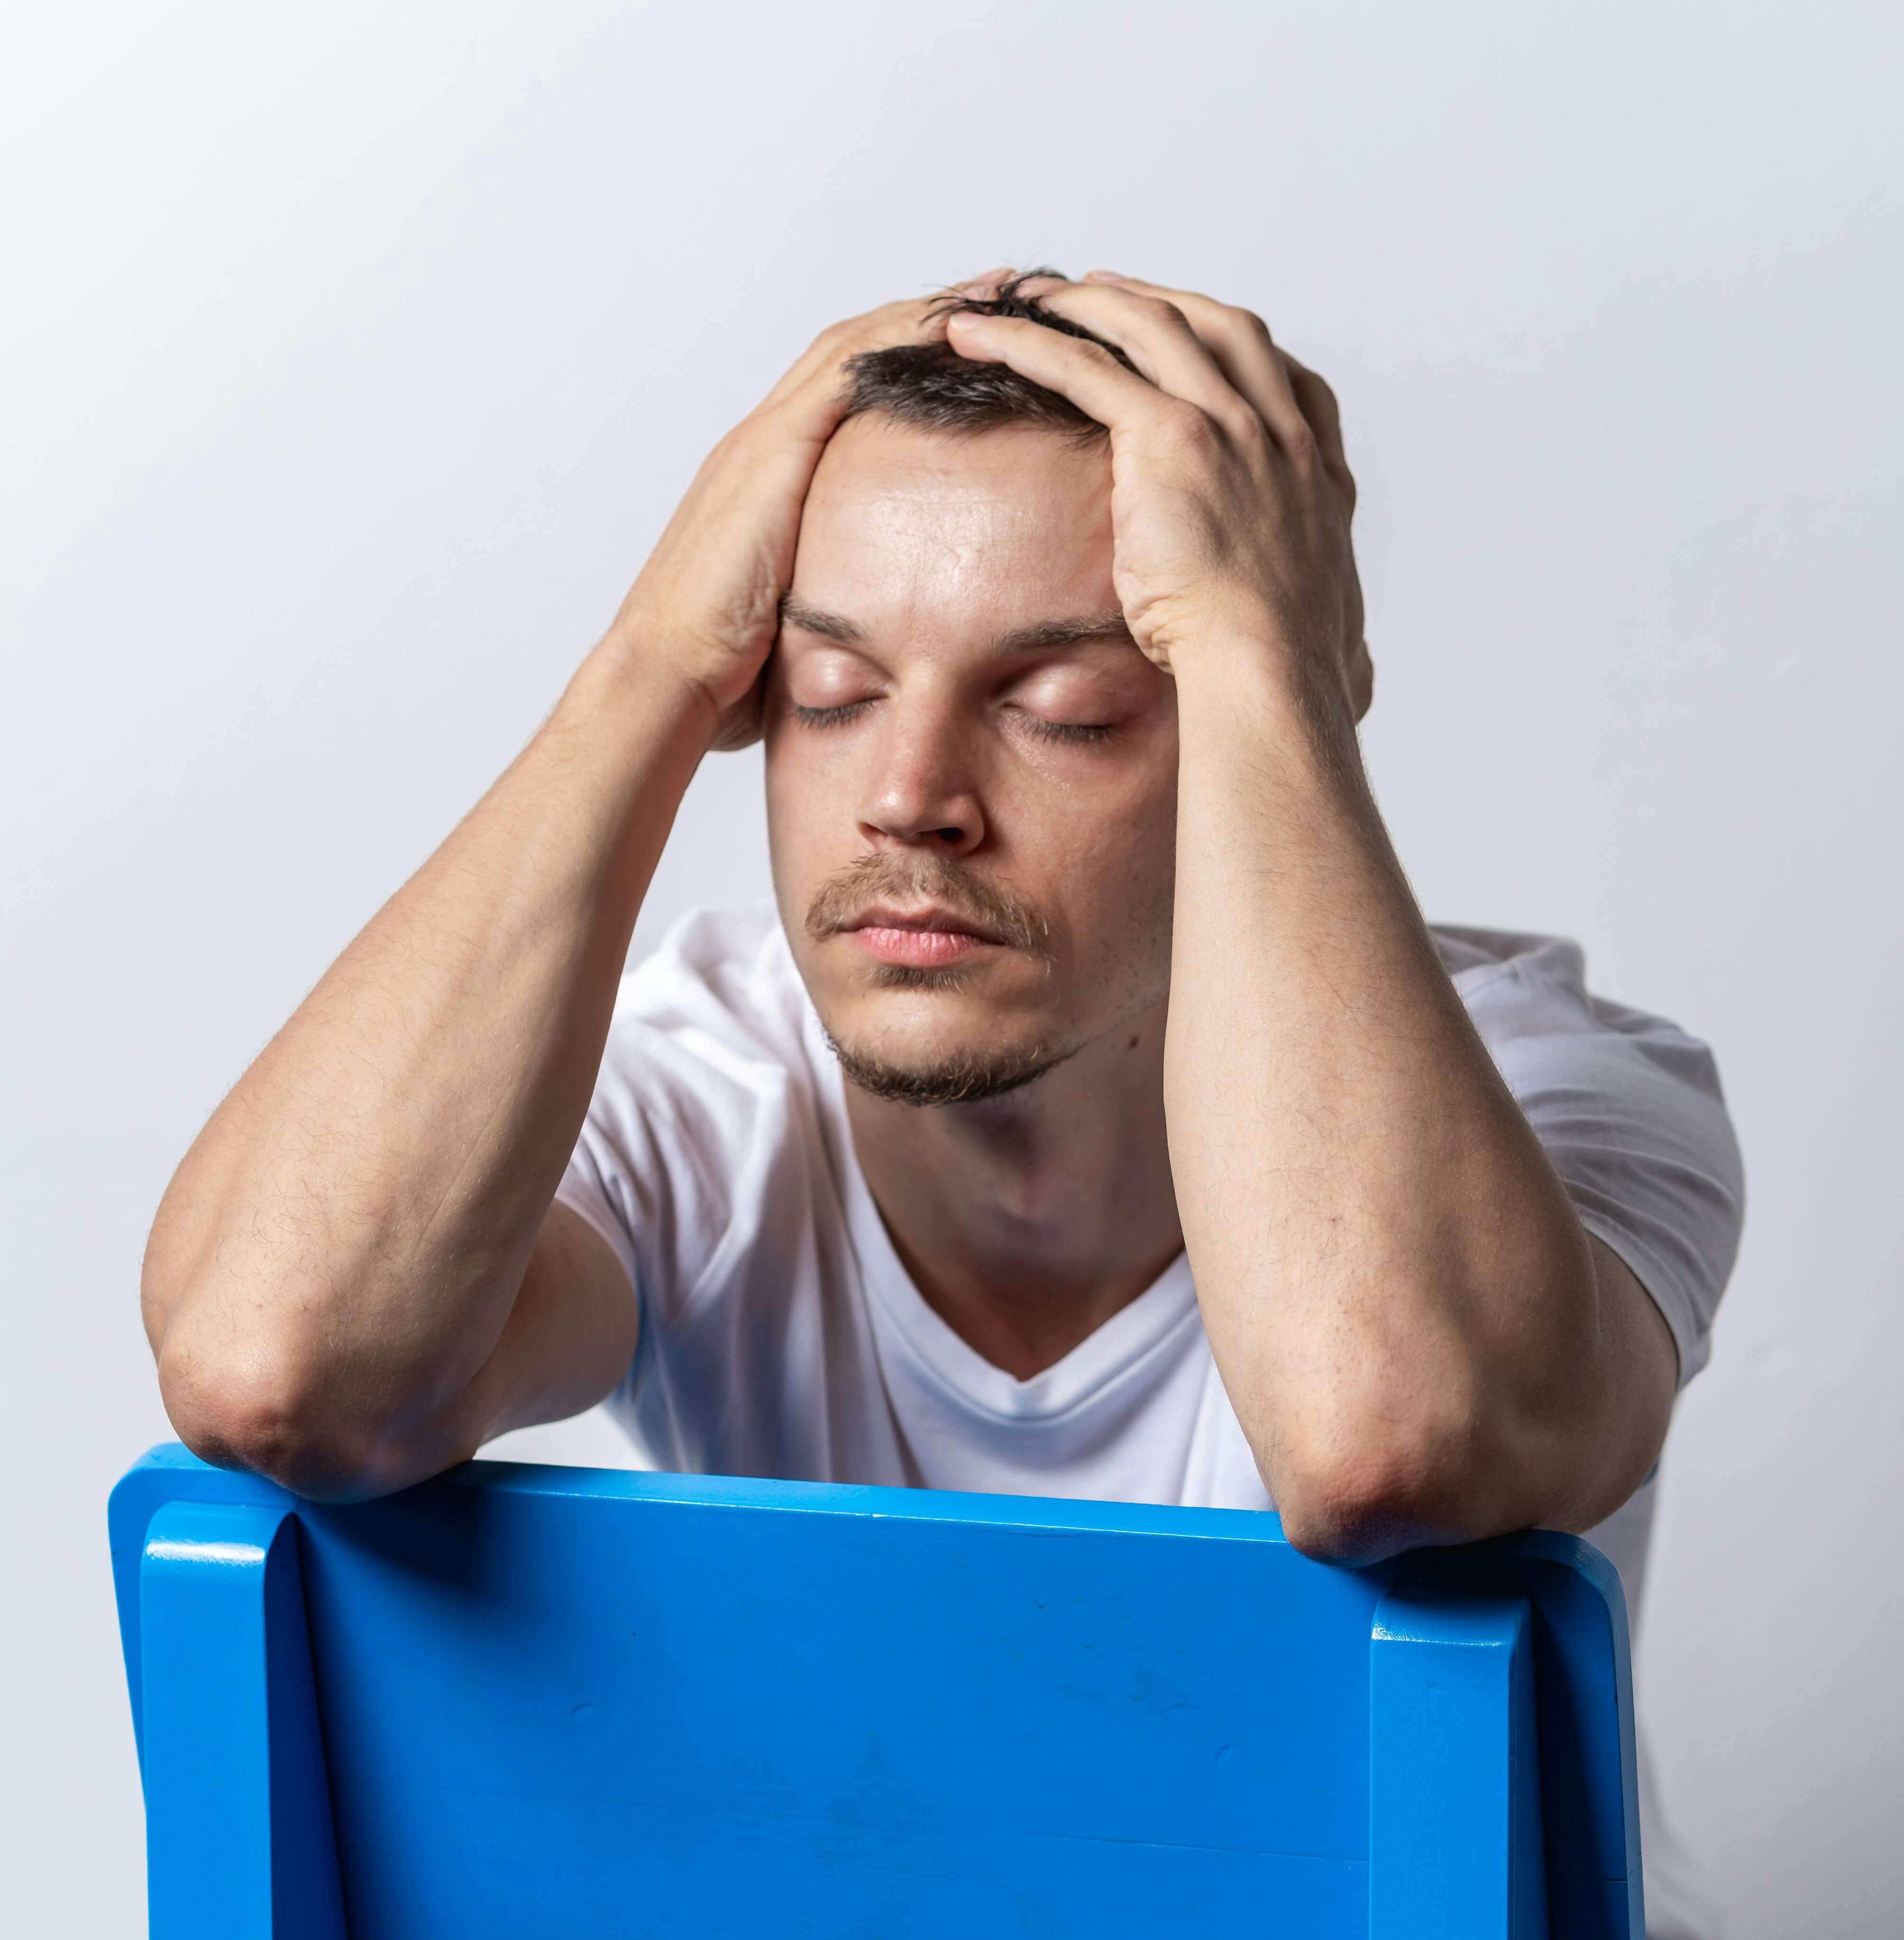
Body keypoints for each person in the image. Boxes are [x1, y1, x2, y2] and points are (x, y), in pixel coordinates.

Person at [141, 269, 1742, 1933]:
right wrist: (651, 664)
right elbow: (279, 1365)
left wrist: (1272, 657)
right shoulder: (709, 1086)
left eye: (1065, 710)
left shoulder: (1567, 1098)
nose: (907, 799)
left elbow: (1385, 1438)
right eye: (826, 694)